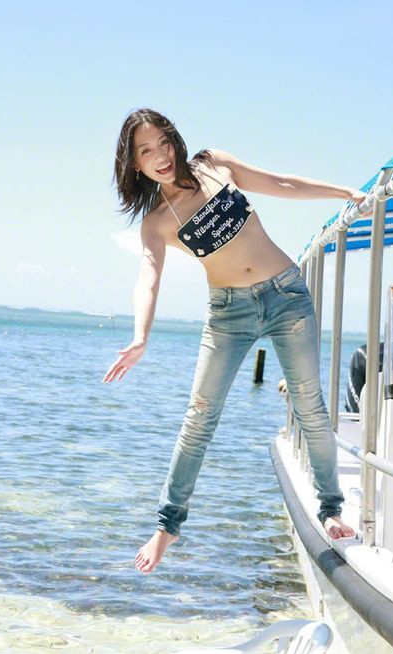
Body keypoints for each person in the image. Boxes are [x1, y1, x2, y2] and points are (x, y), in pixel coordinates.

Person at [103, 108, 364, 574]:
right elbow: (149, 277)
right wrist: (140, 336)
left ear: (174, 139)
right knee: (199, 417)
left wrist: (343, 192)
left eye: (163, 142)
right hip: (229, 313)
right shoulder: (156, 222)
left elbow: (280, 183)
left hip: (286, 296)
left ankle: (331, 509)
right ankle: (167, 525)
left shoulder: (213, 164)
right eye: (146, 151)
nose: (160, 155)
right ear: (135, 164)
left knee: (309, 405)